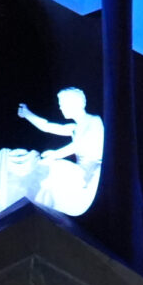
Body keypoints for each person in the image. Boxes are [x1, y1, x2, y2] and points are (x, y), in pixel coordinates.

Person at [17, 88, 103, 216]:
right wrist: (27, 114)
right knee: (43, 166)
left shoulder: (94, 121)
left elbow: (80, 144)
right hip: (80, 170)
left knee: (54, 166)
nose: (60, 108)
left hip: (91, 172)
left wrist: (55, 154)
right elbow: (47, 126)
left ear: (75, 103)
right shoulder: (75, 127)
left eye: (62, 104)